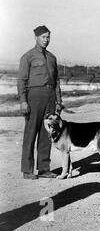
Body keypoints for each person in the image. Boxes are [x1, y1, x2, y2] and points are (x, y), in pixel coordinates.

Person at [18, 25, 63, 179]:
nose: (46, 40)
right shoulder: (28, 57)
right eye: (43, 37)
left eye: (48, 37)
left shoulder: (52, 57)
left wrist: (58, 100)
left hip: (50, 96)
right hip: (34, 96)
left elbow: (56, 81)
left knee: (47, 133)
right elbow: (21, 81)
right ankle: (27, 170)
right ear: (36, 38)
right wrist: (23, 101)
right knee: (30, 133)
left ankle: (44, 169)